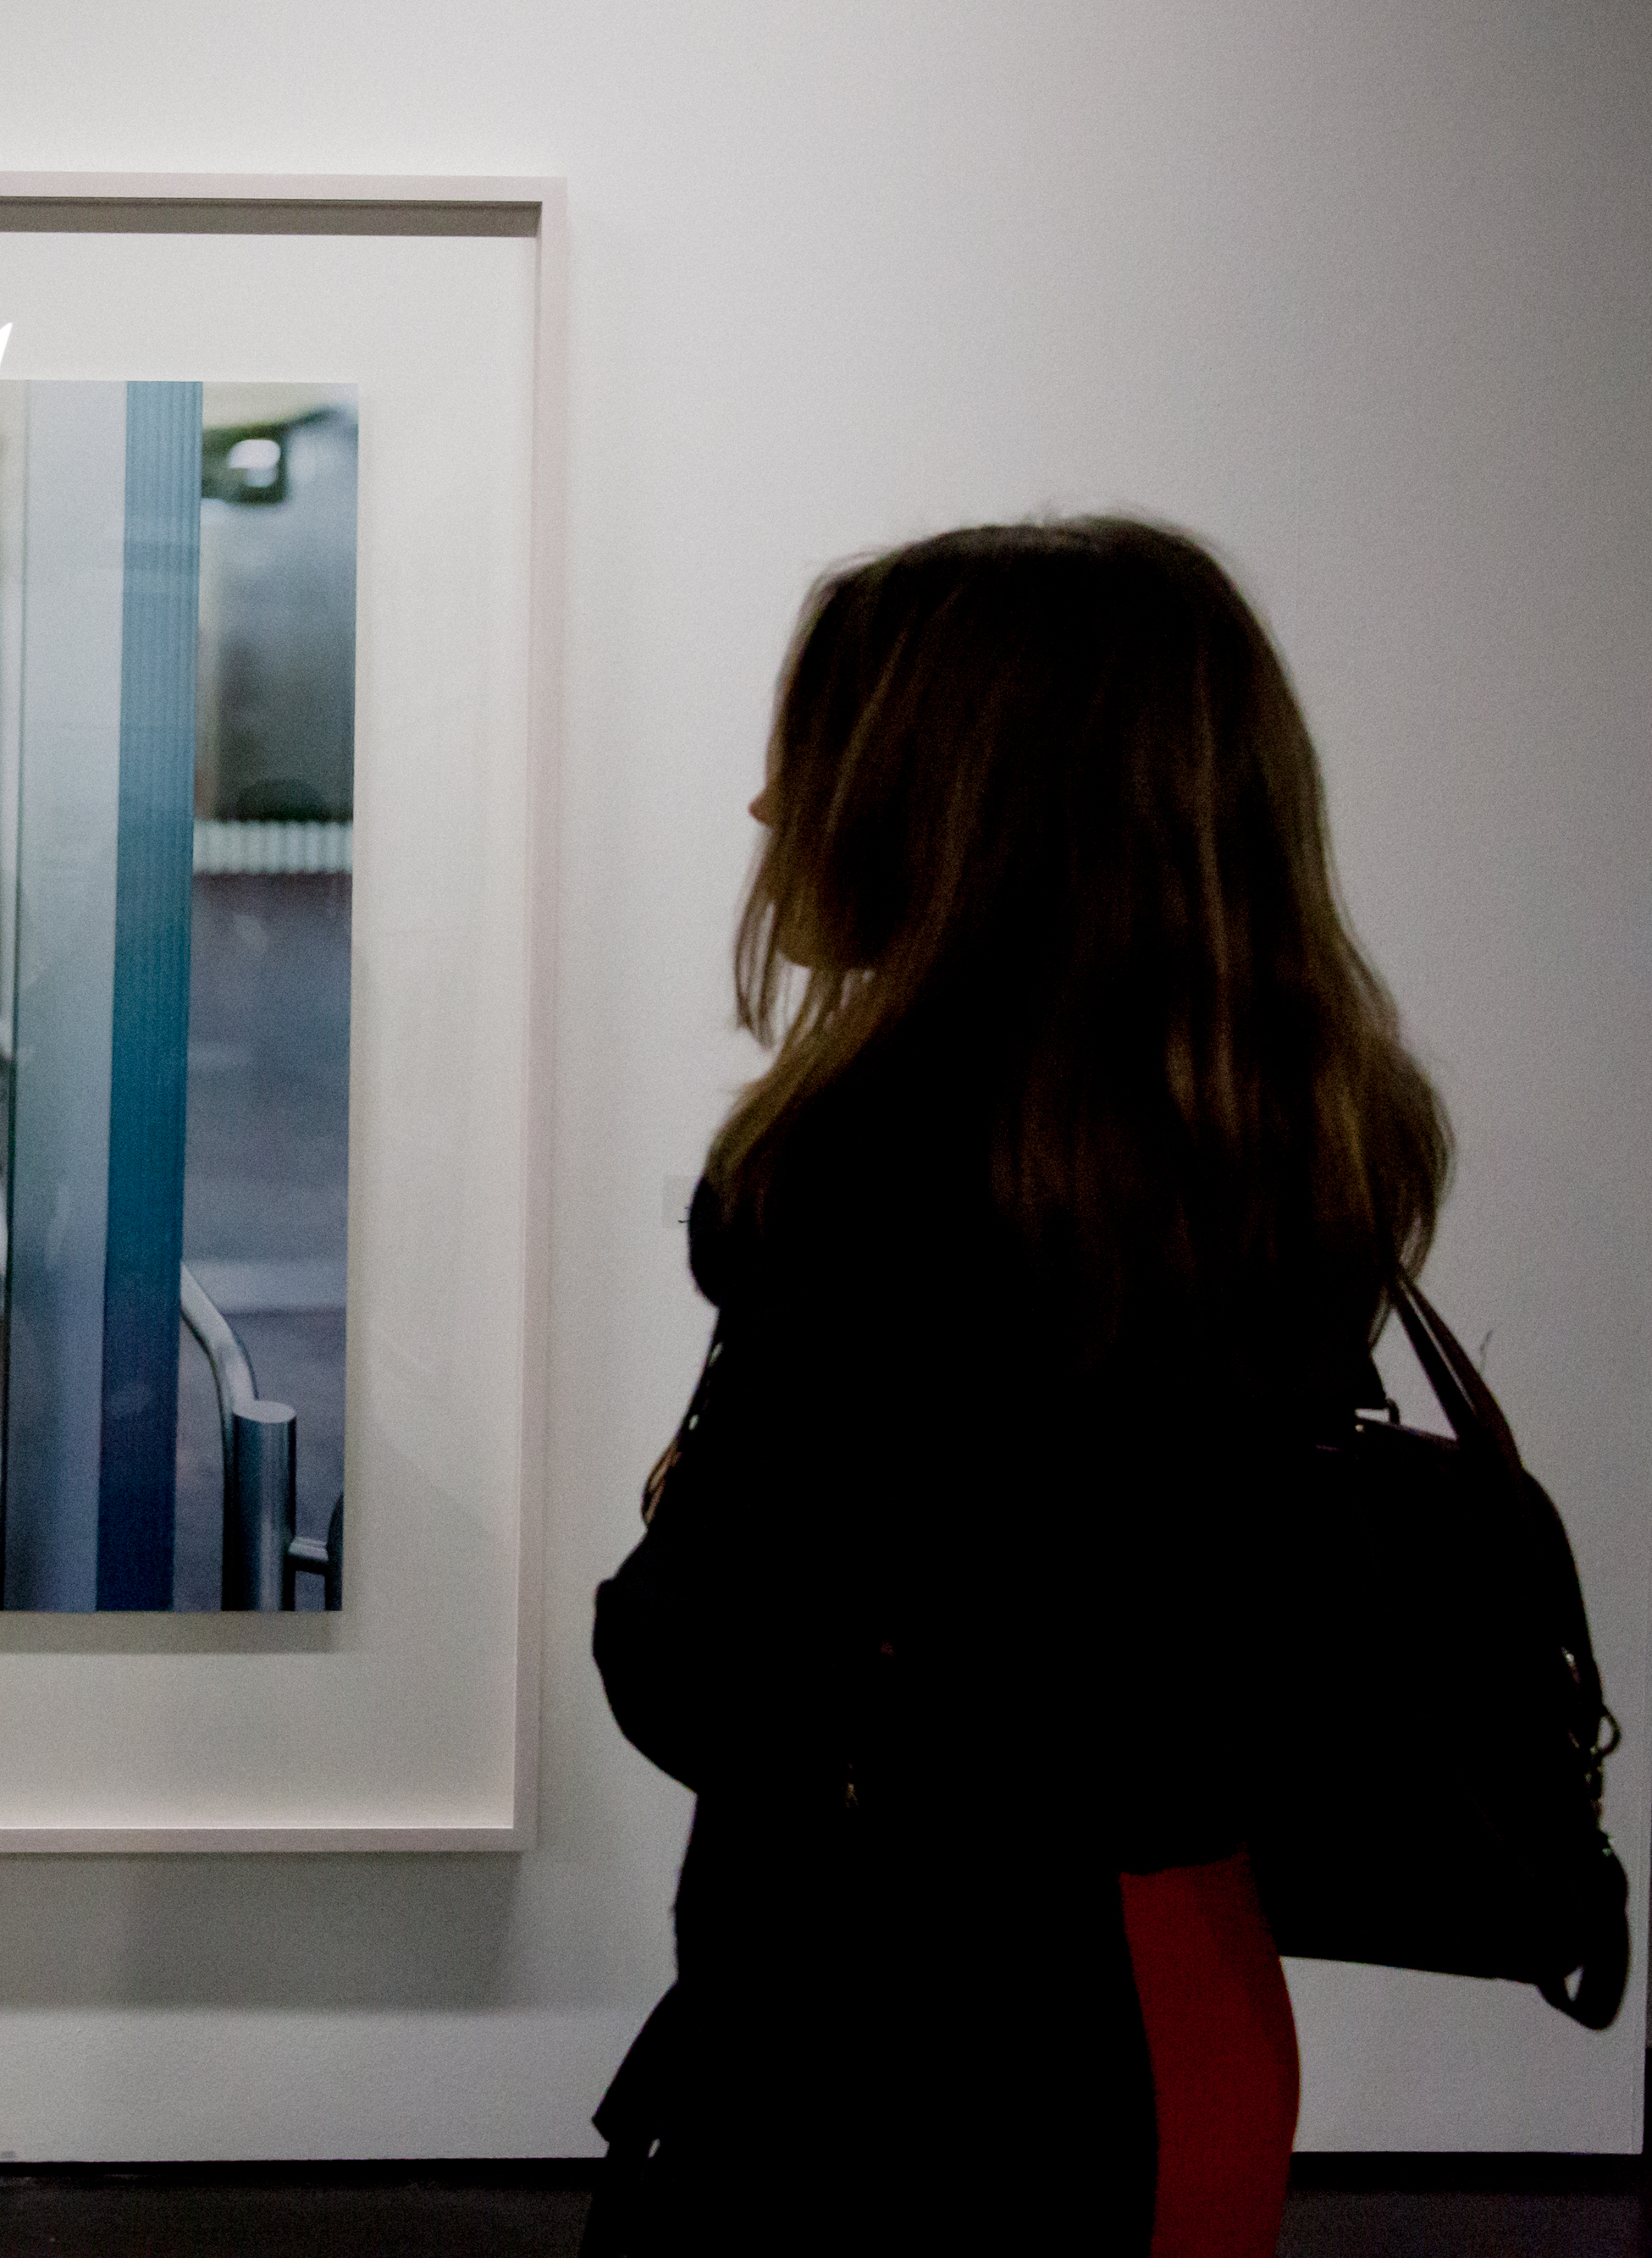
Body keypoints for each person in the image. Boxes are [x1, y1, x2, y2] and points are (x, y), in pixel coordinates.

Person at [587, 520, 1449, 2255]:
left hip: (882, 2058)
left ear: (957, 795)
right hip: (1178, 2003)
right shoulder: (1284, 1162)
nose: (767, 809)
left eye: (811, 749)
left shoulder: (854, 1192)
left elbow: (697, 1667)